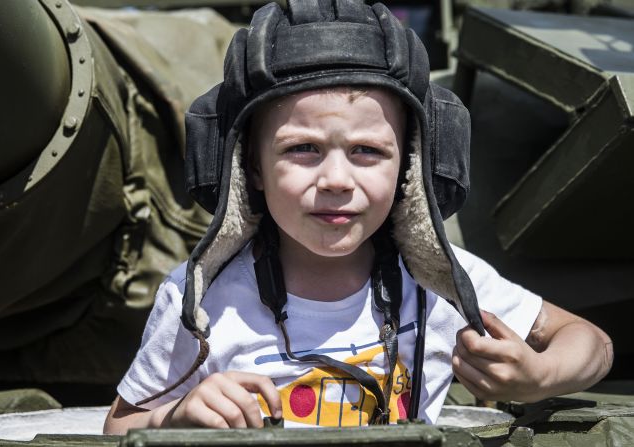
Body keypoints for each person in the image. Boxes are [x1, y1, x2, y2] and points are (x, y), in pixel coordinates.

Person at [104, 0, 613, 432]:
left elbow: (592, 343)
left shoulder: (441, 281)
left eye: (368, 151)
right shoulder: (201, 297)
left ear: (410, 167)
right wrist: (171, 418)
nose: (336, 179)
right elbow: (118, 424)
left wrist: (540, 375)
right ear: (251, 167)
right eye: (302, 148)